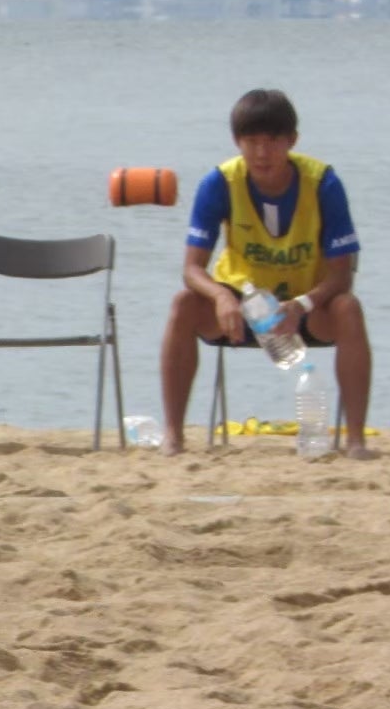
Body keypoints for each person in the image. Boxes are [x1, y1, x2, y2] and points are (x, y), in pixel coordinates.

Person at [159, 88, 373, 458]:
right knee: (183, 304)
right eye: (251, 142)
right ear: (237, 142)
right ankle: (174, 437)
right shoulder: (219, 183)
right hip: (242, 308)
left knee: (348, 308)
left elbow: (342, 274)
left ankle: (355, 441)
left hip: (304, 307)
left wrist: (302, 304)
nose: (262, 153)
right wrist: (221, 295)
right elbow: (192, 268)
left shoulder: (323, 183)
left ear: (292, 141)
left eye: (272, 141)